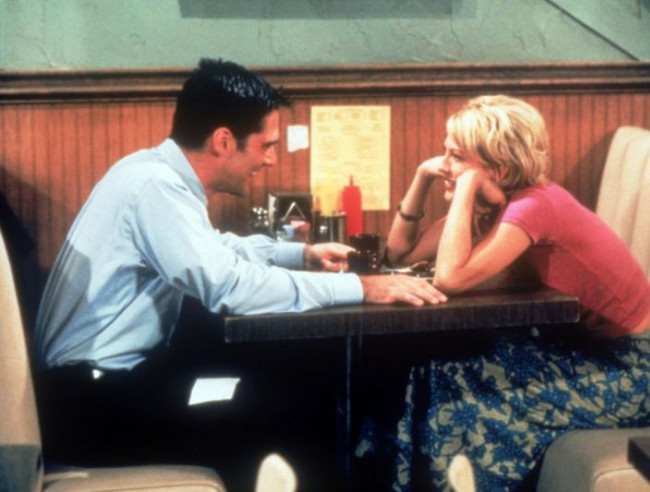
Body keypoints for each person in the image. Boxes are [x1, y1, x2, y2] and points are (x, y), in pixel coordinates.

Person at [32, 58, 446, 491]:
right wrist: (361, 287)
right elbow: (228, 285)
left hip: (102, 392)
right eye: (266, 146)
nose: (270, 160)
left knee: (286, 383)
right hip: (92, 408)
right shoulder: (155, 188)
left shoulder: (148, 173)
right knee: (284, 407)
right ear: (224, 141)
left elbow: (214, 249)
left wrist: (301, 254)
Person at [356, 95, 650, 491]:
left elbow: (450, 278)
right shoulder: (499, 207)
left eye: (456, 157)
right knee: (428, 365)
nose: (444, 165)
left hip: (628, 374)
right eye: (444, 153)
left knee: (455, 396)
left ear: (499, 170)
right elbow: (399, 255)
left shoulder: (535, 206)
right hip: (573, 354)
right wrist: (422, 176)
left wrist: (466, 188)